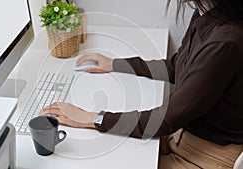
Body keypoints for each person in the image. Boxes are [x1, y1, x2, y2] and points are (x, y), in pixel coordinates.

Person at [40, 0, 243, 168]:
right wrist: (116, 64)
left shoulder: (225, 40)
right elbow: (177, 66)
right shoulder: (206, 13)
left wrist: (90, 118)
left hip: (207, 155)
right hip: (182, 136)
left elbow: (168, 118)